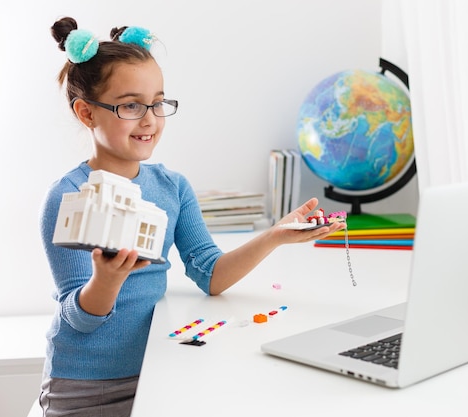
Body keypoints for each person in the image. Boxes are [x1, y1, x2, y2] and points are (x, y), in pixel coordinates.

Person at [38, 17, 345, 417]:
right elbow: (78, 319)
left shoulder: (172, 188)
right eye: (131, 105)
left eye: (158, 102)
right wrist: (107, 280)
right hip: (86, 385)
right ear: (86, 113)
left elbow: (211, 274)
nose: (150, 118)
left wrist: (275, 235)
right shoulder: (67, 197)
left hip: (159, 370)